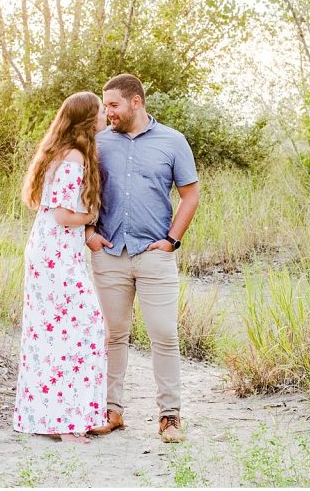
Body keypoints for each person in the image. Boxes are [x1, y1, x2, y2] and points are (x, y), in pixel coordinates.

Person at [86, 74, 200, 443]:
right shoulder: (98, 143)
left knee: (164, 335)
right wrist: (89, 234)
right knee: (113, 335)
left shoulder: (173, 141)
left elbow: (190, 195)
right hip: (110, 254)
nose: (108, 112)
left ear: (136, 102)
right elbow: (83, 193)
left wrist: (171, 241)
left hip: (154, 254)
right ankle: (111, 411)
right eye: (105, 105)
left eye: (113, 105)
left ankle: (169, 416)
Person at [13, 91, 111, 444]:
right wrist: (91, 217)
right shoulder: (72, 158)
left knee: (52, 334)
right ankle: (63, 422)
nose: (104, 117)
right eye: (99, 112)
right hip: (55, 258)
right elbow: (62, 214)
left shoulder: (62, 153)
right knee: (82, 328)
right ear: (88, 120)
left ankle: (58, 418)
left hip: (51, 254)